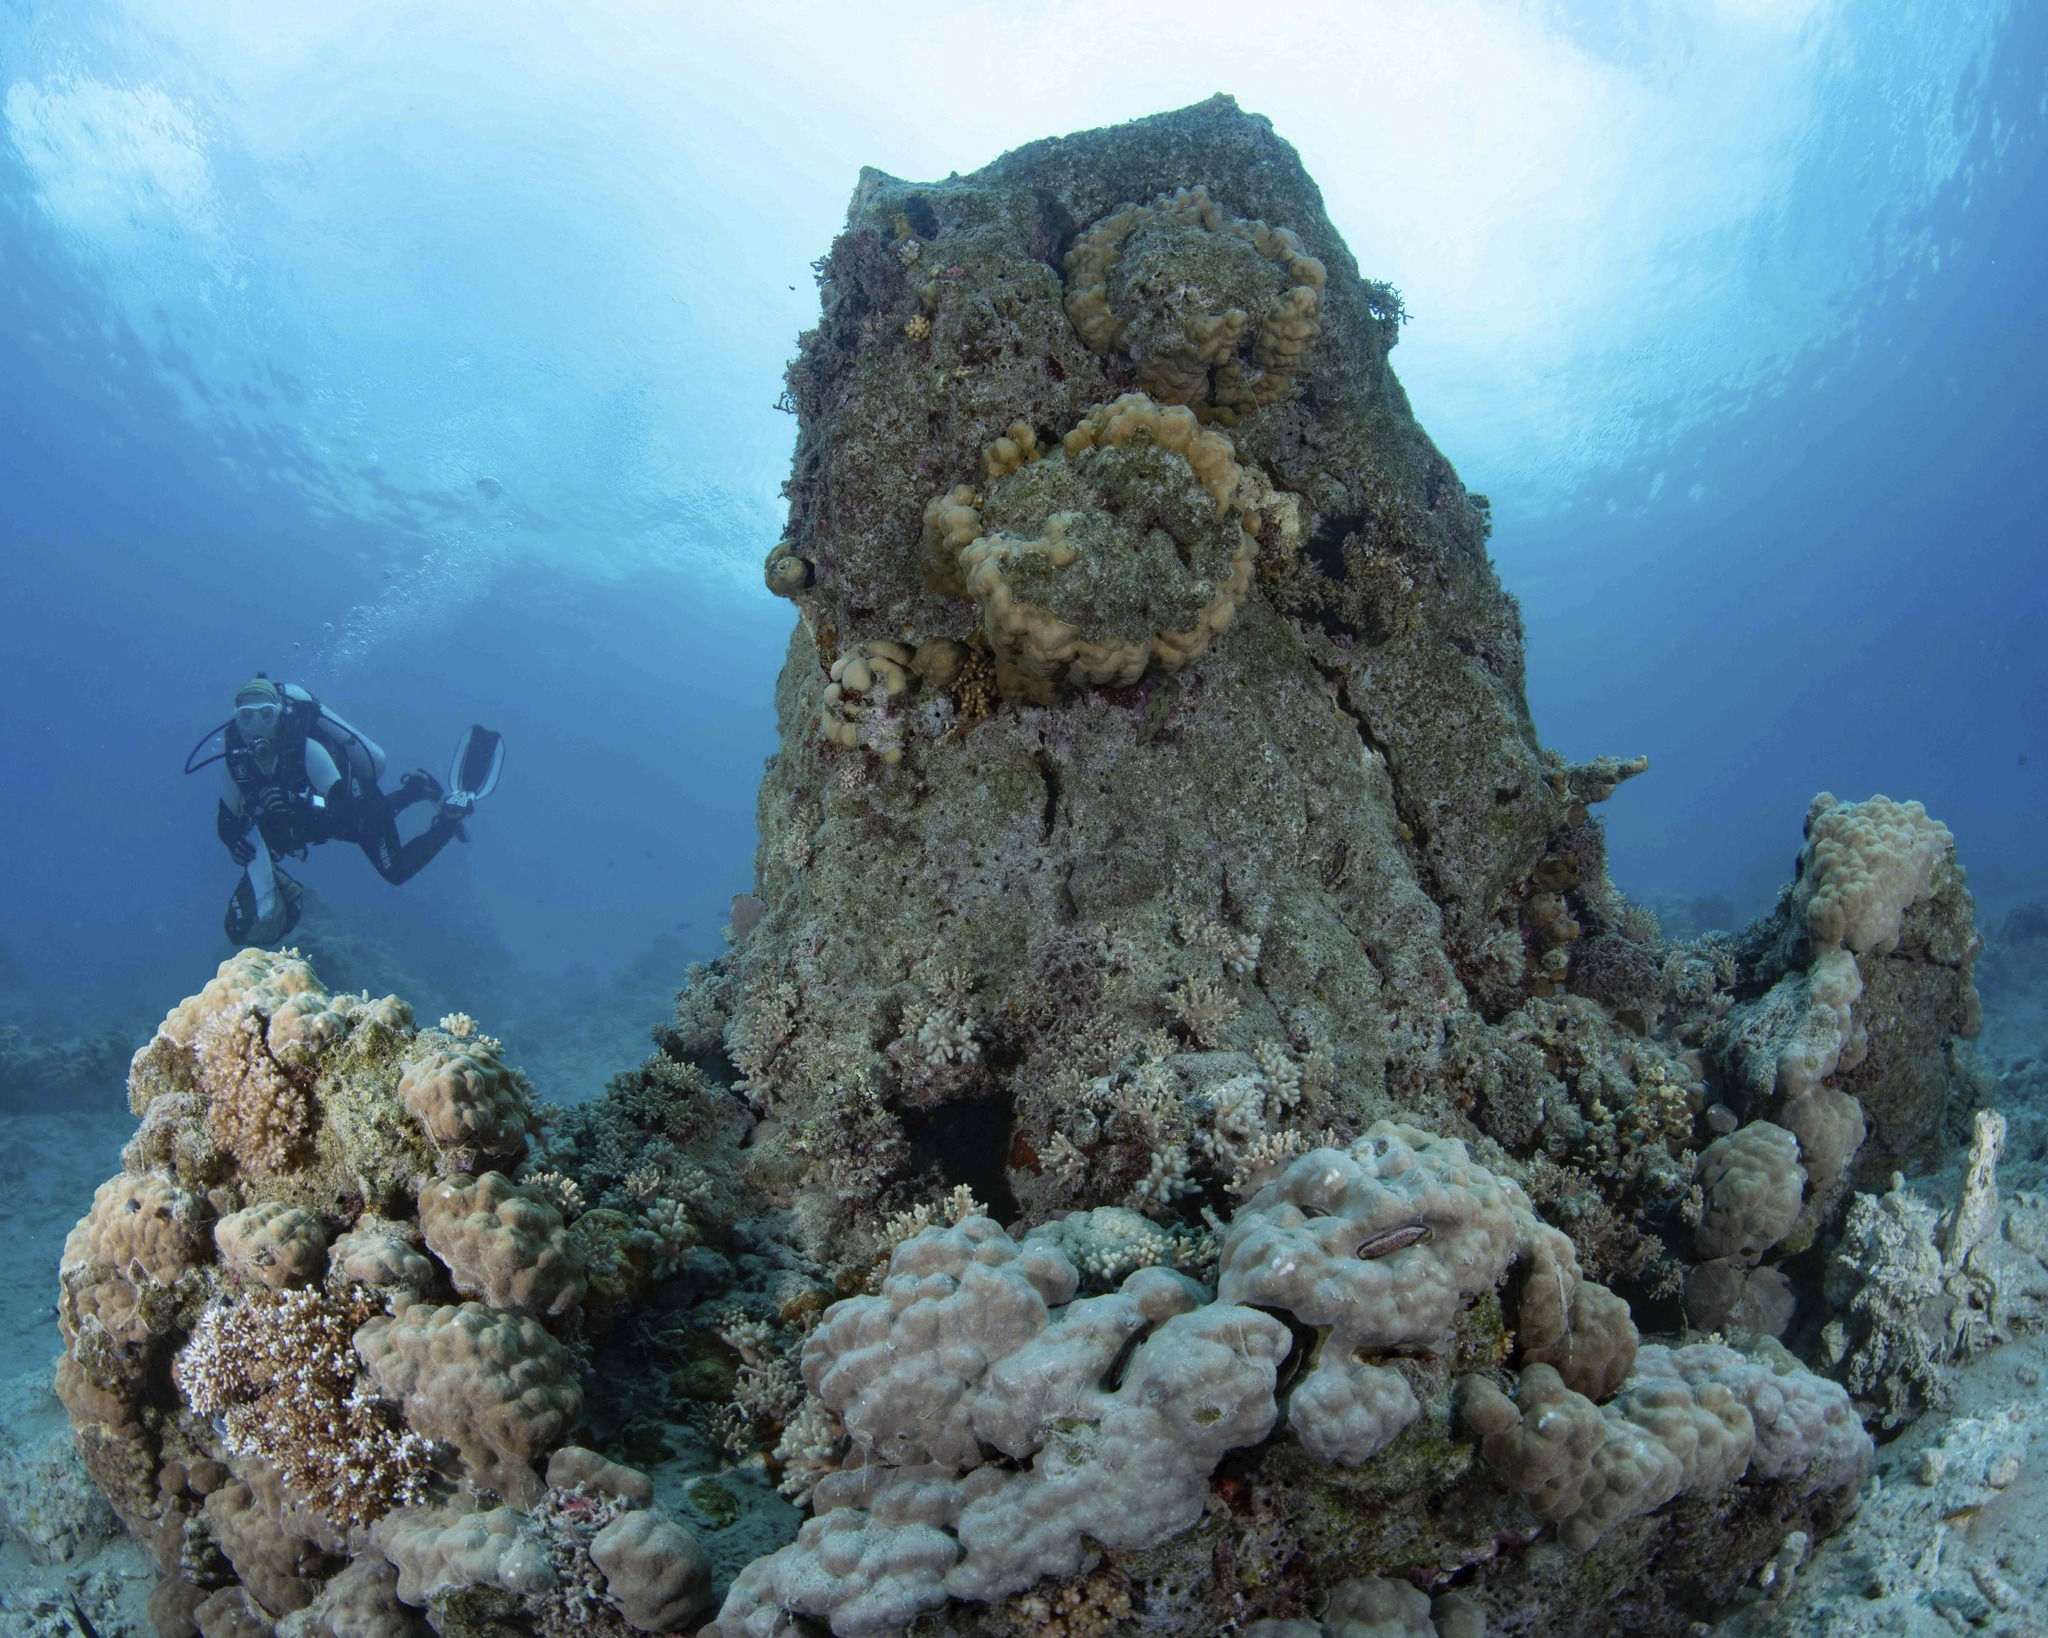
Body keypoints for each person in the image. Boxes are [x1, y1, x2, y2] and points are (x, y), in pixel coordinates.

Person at [214, 675, 475, 895]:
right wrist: (233, 844)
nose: (256, 726)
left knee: (394, 869)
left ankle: (448, 821)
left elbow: (341, 806)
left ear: (279, 714)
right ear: (236, 721)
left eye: (266, 715)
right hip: (322, 825)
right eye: (246, 718)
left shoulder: (306, 750)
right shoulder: (237, 765)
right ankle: (416, 789)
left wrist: (297, 800)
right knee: (376, 813)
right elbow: (226, 820)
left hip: (355, 806)